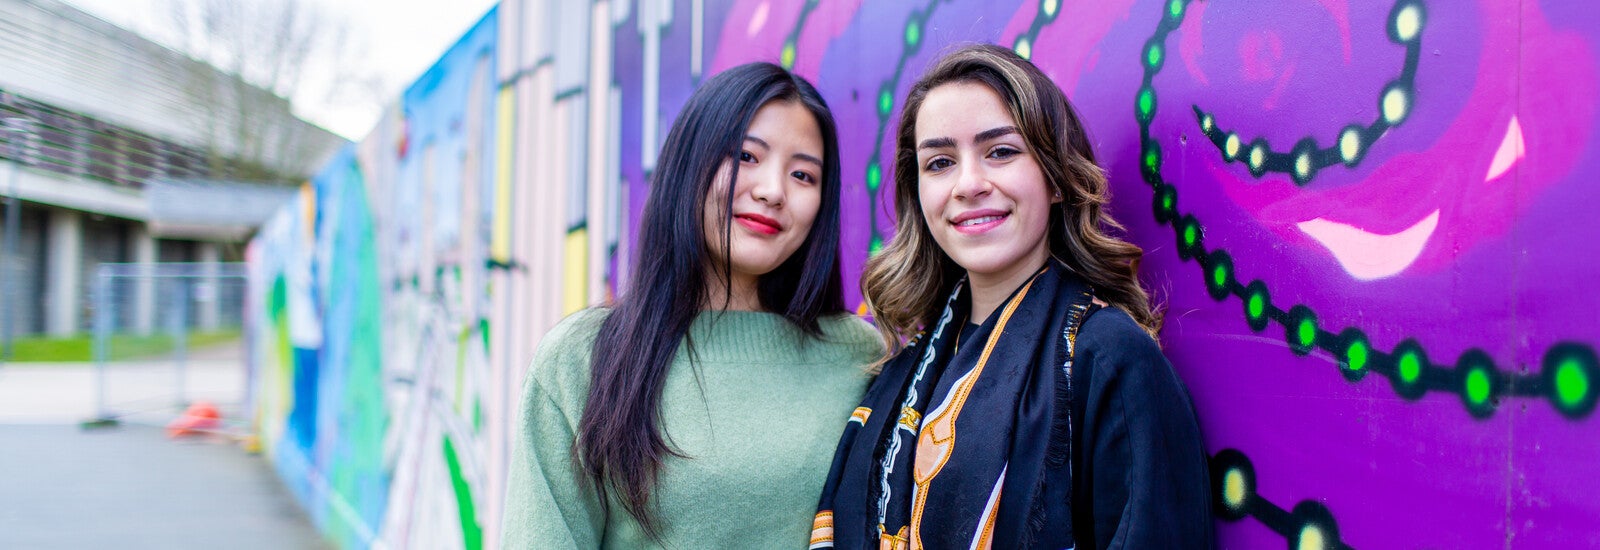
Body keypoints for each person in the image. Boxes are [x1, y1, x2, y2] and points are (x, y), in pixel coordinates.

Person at [812, 44, 1212, 549]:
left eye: (1000, 151)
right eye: (939, 162)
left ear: (1057, 179)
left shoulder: (1108, 358)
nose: (968, 184)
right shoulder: (903, 369)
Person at [502, 62, 881, 548]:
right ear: (689, 164)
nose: (771, 191)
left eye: (803, 174)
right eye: (746, 156)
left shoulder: (859, 357)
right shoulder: (581, 359)